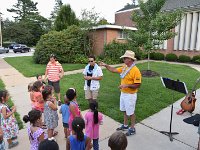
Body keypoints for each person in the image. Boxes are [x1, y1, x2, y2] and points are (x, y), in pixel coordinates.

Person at [99, 50, 142, 136]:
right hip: (123, 93)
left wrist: (126, 85)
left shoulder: (135, 70)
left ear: (130, 59)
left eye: (125, 58)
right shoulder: (125, 67)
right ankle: (125, 125)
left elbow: (138, 85)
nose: (123, 59)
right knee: (124, 110)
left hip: (130, 95)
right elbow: (114, 69)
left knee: (131, 112)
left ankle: (132, 128)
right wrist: (106, 65)